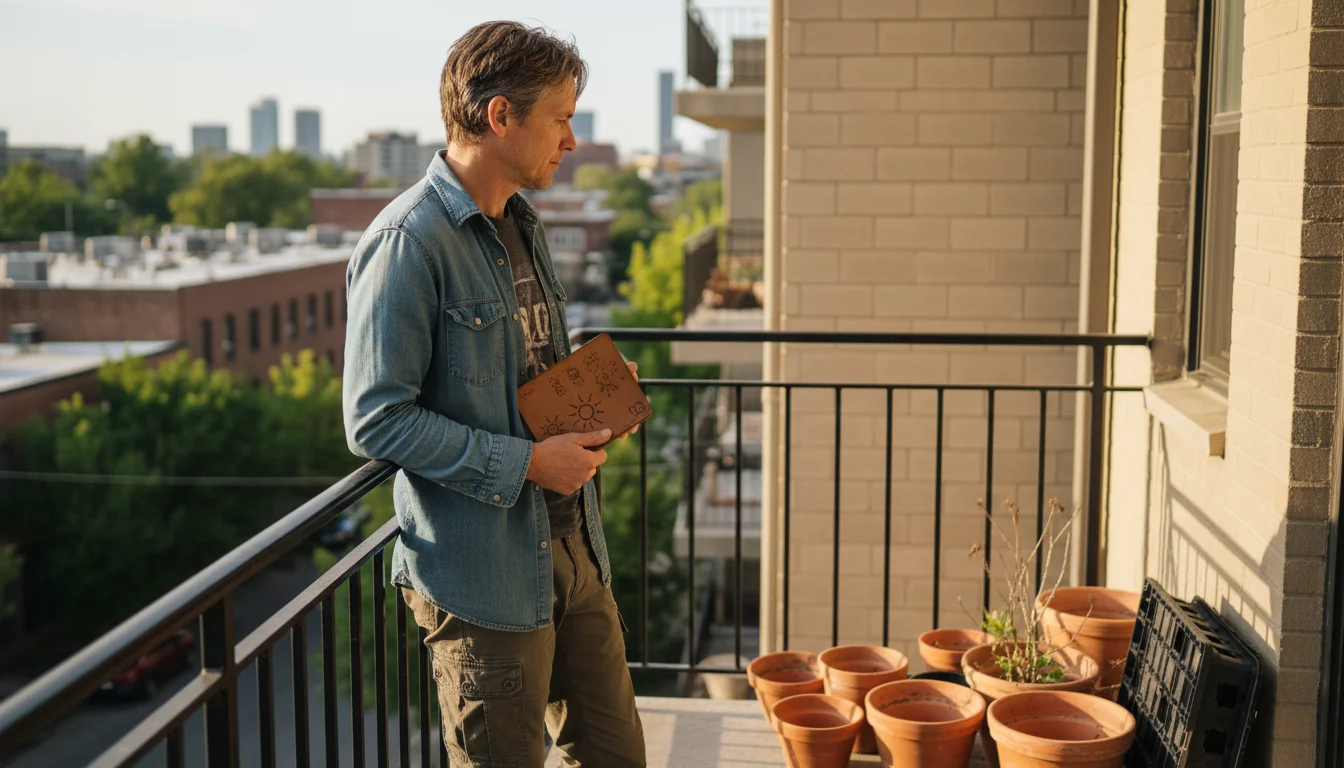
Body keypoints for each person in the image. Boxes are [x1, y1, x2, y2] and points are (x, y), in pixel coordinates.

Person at [342, 20, 646, 768]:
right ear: (499, 114)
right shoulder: (407, 241)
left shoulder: (523, 222)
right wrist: (526, 465)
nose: (571, 141)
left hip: (574, 548)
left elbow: (521, 368)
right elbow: (376, 419)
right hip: (484, 582)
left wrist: (598, 394)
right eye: (561, 118)